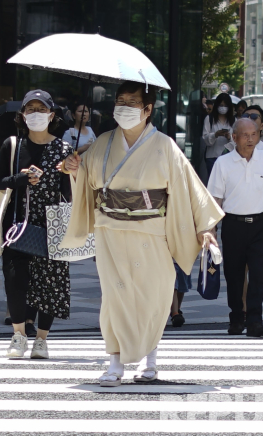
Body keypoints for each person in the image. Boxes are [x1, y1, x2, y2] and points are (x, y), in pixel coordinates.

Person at [61, 80, 224, 386]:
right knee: (114, 296)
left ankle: (150, 360)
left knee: (154, 294)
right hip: (111, 229)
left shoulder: (164, 146)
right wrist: (73, 167)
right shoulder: (103, 143)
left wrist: (205, 228)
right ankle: (114, 362)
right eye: (119, 101)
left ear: (148, 110)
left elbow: (189, 188)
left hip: (152, 230)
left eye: (132, 103)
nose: (123, 108)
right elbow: (86, 180)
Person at [0, 90, 72, 360]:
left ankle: (41, 339)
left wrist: (73, 171)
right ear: (22, 115)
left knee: (50, 282)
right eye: (30, 109)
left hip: (53, 225)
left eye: (41, 109)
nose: (35, 114)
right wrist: (19, 179)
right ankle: (18, 335)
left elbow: (70, 193)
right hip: (18, 224)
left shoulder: (63, 149)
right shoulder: (13, 145)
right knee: (16, 280)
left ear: (51, 115)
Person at [209, 118, 263, 337]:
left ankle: (255, 321)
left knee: (258, 274)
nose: (250, 139)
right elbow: (215, 198)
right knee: (234, 275)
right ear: (234, 137)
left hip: (259, 225)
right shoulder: (223, 163)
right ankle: (237, 318)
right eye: (245, 135)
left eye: (254, 134)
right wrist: (211, 229)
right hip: (232, 225)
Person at [202, 93, 235, 177]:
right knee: (213, 183)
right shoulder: (209, 119)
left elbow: (237, 140)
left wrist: (229, 137)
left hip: (229, 157)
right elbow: (205, 138)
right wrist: (215, 135)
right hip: (212, 157)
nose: (223, 107)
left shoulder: (233, 120)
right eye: (221, 105)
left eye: (225, 105)